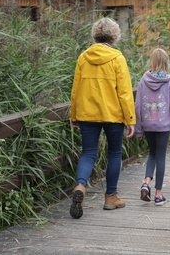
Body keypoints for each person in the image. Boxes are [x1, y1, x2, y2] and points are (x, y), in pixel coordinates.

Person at [69, 17, 136, 219]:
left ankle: (80, 185)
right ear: (114, 36)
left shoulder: (83, 57)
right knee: (114, 153)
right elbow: (124, 92)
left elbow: (76, 89)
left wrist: (74, 114)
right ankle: (110, 198)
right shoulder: (117, 58)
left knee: (88, 153)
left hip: (87, 114)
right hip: (112, 114)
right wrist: (130, 119)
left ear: (95, 35)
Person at [135, 48, 170, 206]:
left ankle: (146, 182)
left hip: (148, 125)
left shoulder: (143, 80)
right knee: (161, 156)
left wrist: (138, 129)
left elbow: (138, 106)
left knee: (152, 154)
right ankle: (158, 194)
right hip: (163, 125)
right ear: (166, 61)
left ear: (151, 61)